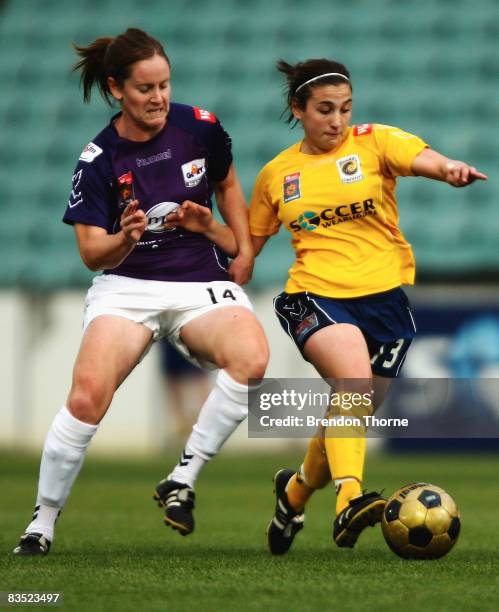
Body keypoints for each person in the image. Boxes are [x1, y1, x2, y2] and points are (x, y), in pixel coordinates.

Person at [13, 28, 269, 556]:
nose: (158, 98)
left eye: (165, 85)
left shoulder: (200, 128)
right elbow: (90, 252)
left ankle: (182, 478)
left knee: (253, 361)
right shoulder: (99, 160)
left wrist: (239, 248)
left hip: (199, 278)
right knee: (87, 397)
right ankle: (42, 522)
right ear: (116, 90)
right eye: (146, 89)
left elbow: (227, 184)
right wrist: (123, 238)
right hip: (126, 286)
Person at [249, 58, 487, 555]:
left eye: (345, 108)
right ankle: (349, 501)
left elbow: (425, 159)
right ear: (298, 109)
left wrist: (449, 170)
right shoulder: (277, 175)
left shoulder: (374, 141)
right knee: (352, 382)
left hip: (384, 303)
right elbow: (246, 248)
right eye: (325, 110)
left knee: (351, 410)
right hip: (311, 295)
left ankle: (292, 495)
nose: (337, 120)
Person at [158, 338, 212, 440]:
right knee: (173, 379)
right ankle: (182, 426)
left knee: (199, 375)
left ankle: (206, 422)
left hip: (190, 334)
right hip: (169, 338)